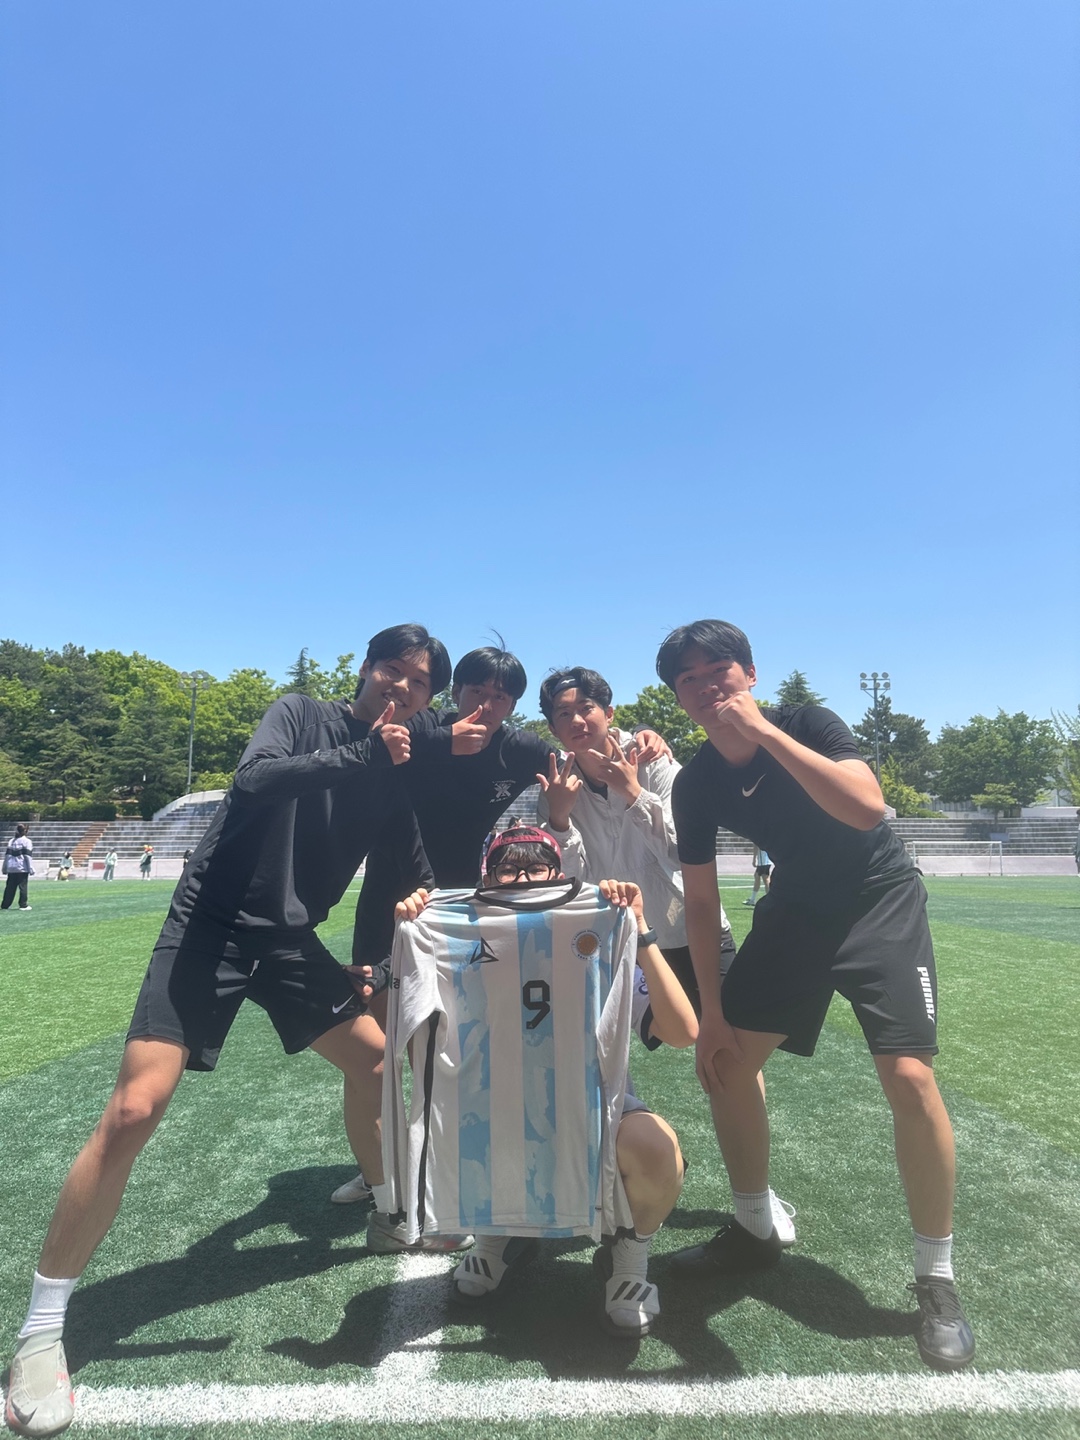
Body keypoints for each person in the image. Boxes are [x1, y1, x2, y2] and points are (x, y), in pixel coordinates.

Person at [3, 624, 466, 1440]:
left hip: (287, 942)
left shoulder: (394, 773)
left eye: (419, 681)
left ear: (430, 697)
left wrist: (428, 901)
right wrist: (362, 752)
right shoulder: (301, 713)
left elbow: (413, 869)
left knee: (374, 1061)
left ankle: (390, 1210)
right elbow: (254, 780)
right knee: (135, 1109)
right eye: (391, 670)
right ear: (367, 670)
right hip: (210, 925)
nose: (401, 687)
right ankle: (41, 1331)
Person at [655, 619, 975, 1373]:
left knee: (910, 1076)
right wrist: (712, 1015)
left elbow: (866, 808)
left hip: (878, 899)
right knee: (725, 1063)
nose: (705, 687)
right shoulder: (696, 783)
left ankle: (936, 1278)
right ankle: (753, 1228)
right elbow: (700, 900)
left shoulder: (806, 723)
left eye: (718, 670)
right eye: (687, 679)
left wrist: (766, 734)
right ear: (678, 696)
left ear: (750, 673)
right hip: (796, 910)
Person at [335, 646, 666, 1205]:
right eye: (476, 692)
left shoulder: (519, 749)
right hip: (394, 905)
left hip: (471, 917)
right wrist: (441, 743)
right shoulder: (421, 730)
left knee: (452, 1048)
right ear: (455, 692)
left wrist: (646, 736)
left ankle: (444, 1170)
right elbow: (365, 746)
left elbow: (581, 745)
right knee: (377, 1047)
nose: (486, 706)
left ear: (512, 705)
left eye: (500, 697)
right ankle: (378, 1171)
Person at [389, 825, 696, 1336]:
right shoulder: (453, 929)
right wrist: (415, 929)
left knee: (655, 1149)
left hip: (589, 1105)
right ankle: (496, 1235)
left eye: (536, 866)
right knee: (479, 1116)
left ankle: (628, 1256)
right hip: (494, 1104)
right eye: (509, 867)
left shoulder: (600, 924)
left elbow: (684, 1032)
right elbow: (409, 1032)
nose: (524, 878)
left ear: (560, 874)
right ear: (486, 877)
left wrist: (639, 930)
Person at [535, 665, 794, 1245]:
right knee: (591, 1057)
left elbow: (685, 853)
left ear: (609, 712)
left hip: (689, 931)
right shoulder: (557, 781)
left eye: (586, 708)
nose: (576, 721)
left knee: (731, 1063)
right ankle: (617, 1167)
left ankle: (757, 1193)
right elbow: (563, 880)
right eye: (562, 714)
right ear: (552, 726)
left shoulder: (655, 763)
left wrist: (634, 794)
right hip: (613, 942)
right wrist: (558, 818)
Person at [1, 824, 34, 911]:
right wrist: (30, 868)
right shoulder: (27, 841)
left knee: (10, 887)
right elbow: (27, 856)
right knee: (23, 886)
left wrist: (5, 867)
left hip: (12, 868)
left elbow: (7, 856)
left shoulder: (11, 841)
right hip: (22, 868)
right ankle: (23, 905)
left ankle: (5, 905)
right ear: (25, 831)